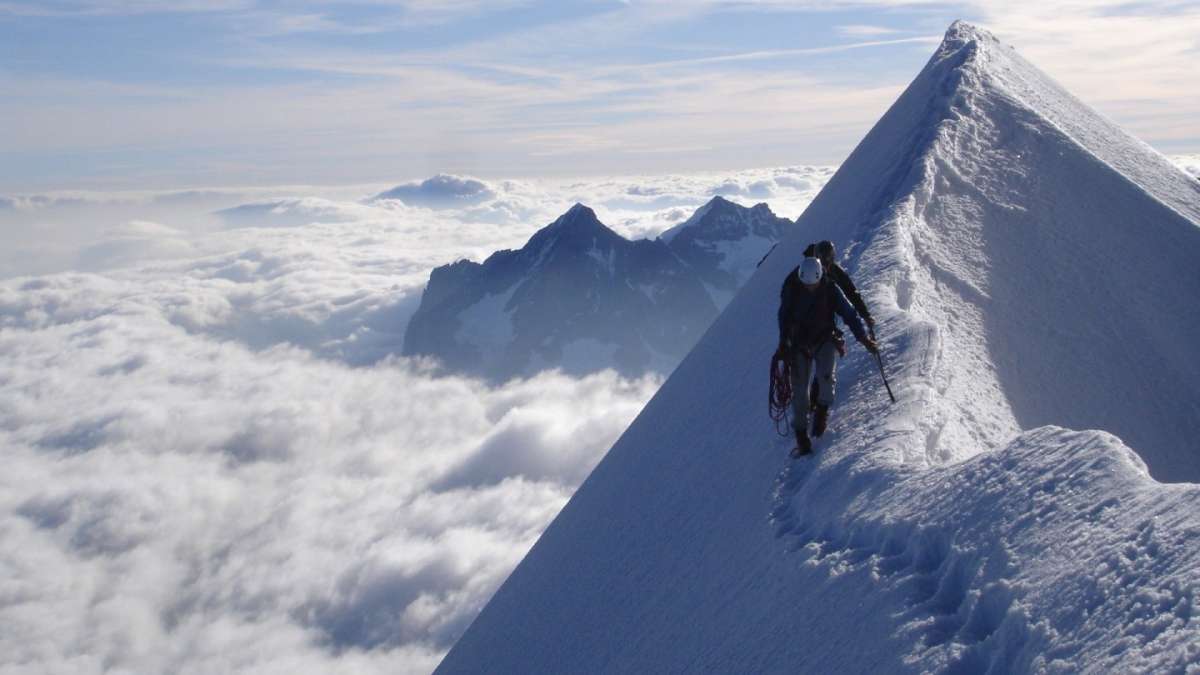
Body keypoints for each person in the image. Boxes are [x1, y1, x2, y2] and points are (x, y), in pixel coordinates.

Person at [777, 256, 877, 456]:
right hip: (799, 344)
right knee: (799, 390)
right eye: (807, 285)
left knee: (826, 378)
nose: (810, 288)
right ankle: (802, 434)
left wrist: (863, 339)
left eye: (813, 285)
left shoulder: (831, 289)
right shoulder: (793, 289)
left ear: (820, 277)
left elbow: (849, 314)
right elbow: (784, 317)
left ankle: (821, 413)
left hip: (824, 339)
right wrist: (784, 343)